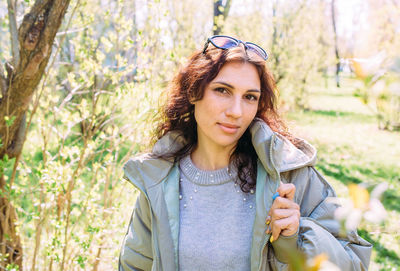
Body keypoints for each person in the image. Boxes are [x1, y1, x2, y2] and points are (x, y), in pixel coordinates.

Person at [119, 35, 372, 271]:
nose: (237, 111)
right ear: (194, 92)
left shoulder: (288, 174)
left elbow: (353, 263)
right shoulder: (158, 177)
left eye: (249, 97)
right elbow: (134, 264)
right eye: (222, 91)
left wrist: (294, 239)